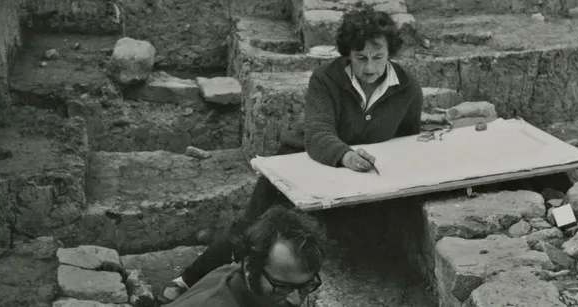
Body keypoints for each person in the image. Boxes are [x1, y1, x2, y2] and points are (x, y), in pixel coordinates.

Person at [159, 4, 423, 302]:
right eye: (360, 58)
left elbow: (406, 140)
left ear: (390, 53)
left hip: (351, 178)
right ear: (348, 54)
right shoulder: (327, 78)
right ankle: (189, 279)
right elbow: (318, 134)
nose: (370, 68)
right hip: (299, 164)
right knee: (251, 229)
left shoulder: (407, 87)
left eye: (378, 57)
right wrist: (347, 155)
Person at [163, 206, 327, 307]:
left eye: (305, 286)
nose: (296, 301)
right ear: (249, 268)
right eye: (283, 287)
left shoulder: (240, 279)